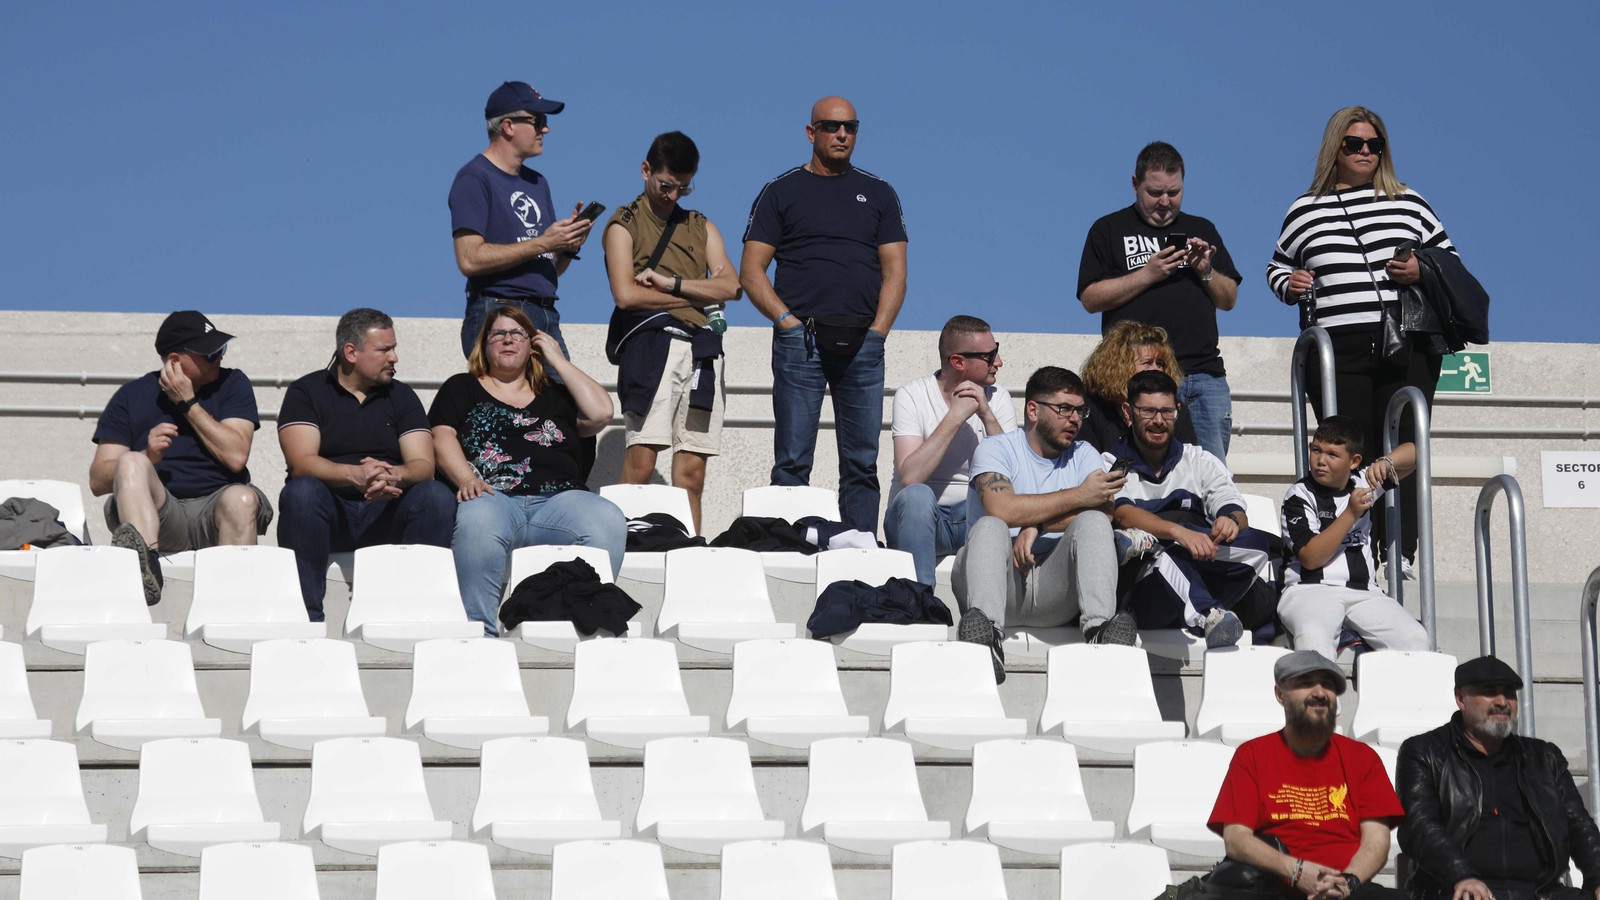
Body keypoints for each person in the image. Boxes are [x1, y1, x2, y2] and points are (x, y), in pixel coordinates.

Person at [1268, 107, 1459, 578]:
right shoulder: (1304, 209)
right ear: (1336, 147)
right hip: (1338, 348)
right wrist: (1288, 283)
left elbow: (1449, 261)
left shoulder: (1409, 202)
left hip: (1404, 340)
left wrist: (1420, 269)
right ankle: (1358, 550)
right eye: (1355, 144)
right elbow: (1276, 267)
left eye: (1375, 145)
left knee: (1404, 444)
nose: (1366, 152)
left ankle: (1400, 549)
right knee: (1353, 450)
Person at [740, 95, 908, 535]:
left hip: (863, 346)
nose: (842, 134)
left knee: (861, 463)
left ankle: (860, 557)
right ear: (811, 132)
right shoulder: (781, 191)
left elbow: (896, 271)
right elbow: (751, 271)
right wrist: (787, 323)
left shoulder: (879, 192)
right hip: (803, 343)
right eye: (832, 126)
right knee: (793, 460)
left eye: (850, 126)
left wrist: (878, 333)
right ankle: (790, 553)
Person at [431, 306, 625, 636]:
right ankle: (479, 632)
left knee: (607, 518)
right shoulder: (461, 387)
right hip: (493, 497)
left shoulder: (557, 395)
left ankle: (585, 617)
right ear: (485, 344)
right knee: (476, 517)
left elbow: (602, 413)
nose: (508, 339)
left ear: (532, 344)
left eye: (517, 333)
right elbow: (441, 434)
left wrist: (558, 360)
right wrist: (466, 478)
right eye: (498, 334)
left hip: (559, 503)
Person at [953, 366, 1134, 682]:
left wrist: (1036, 526)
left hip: (1054, 588)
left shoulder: (1084, 453)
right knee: (990, 526)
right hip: (997, 584)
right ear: (1033, 410)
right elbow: (1002, 508)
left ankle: (1100, 636)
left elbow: (1104, 511)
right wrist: (1079, 495)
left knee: (1093, 520)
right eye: (1064, 409)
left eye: (1080, 411)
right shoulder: (996, 448)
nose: (1075, 419)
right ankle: (986, 641)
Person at [276, 308, 455, 622]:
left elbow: (424, 464)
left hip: (386, 510)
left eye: (394, 348)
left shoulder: (402, 397)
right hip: (331, 516)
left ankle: (417, 616)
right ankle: (306, 618)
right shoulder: (306, 392)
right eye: (385, 350)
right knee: (301, 492)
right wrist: (353, 475)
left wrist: (394, 473)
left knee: (435, 495)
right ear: (351, 352)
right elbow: (301, 462)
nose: (395, 358)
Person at [603, 131, 742, 534]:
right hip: (652, 345)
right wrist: (698, 295)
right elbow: (626, 295)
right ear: (646, 171)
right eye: (666, 185)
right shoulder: (622, 224)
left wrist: (669, 284)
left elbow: (732, 287)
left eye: (684, 187)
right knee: (642, 461)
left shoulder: (701, 226)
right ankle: (623, 549)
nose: (673, 195)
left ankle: (690, 553)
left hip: (702, 352)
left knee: (692, 473)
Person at [88, 311, 271, 605]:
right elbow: (98, 480)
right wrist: (148, 455)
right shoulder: (131, 396)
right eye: (210, 353)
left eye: (221, 349)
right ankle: (144, 573)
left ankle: (236, 604)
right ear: (174, 360)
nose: (219, 357)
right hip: (162, 514)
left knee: (242, 498)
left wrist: (187, 403)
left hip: (216, 512)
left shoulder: (233, 383)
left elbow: (236, 456)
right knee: (132, 462)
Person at [1077, 142, 1242, 460]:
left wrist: (1205, 270)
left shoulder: (1202, 228)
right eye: (1155, 193)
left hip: (1205, 376)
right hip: (1142, 376)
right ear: (1135, 183)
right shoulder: (1108, 229)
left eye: (1174, 192)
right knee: (1145, 471)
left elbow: (1229, 298)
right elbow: (1089, 297)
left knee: (1211, 473)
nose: (1165, 202)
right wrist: (1148, 274)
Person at [1396, 656, 1600, 900]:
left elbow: (1579, 824)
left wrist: (1597, 877)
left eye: (1509, 693)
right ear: (1461, 699)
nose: (1502, 702)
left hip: (1539, 893)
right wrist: (1462, 875)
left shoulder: (1544, 758)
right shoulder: (1425, 752)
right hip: (1457, 890)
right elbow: (1418, 825)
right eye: (1490, 692)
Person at [1209, 650, 1407, 899]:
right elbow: (1236, 838)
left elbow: (1376, 842)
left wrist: (1347, 883)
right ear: (1280, 694)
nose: (1320, 693)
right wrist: (1297, 872)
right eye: (1305, 683)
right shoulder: (1252, 755)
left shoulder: (1362, 758)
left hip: (1346, 889)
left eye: (1328, 685)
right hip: (1277, 888)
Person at [1111, 370, 1277, 648]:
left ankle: (1193, 592)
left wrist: (1230, 520)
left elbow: (1234, 506)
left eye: (1166, 412)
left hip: (1195, 563)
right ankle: (1208, 615)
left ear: (1177, 410)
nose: (1158, 421)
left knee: (1258, 544)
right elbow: (1122, 513)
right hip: (1145, 590)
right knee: (1167, 555)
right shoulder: (1110, 461)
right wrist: (1181, 532)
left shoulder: (1199, 459)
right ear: (1128, 411)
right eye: (1148, 411)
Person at [449, 81, 596, 360]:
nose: (546, 129)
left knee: (563, 401)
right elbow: (469, 259)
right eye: (538, 120)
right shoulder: (474, 178)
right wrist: (543, 242)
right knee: (507, 403)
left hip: (545, 315)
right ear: (508, 126)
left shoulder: (537, 182)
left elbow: (547, 268)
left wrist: (568, 245)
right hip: (499, 313)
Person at [1279, 415, 1431, 661]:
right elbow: (1310, 558)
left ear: (1354, 461)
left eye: (1332, 455)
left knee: (1415, 641)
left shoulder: (1362, 481)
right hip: (1308, 591)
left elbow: (1417, 454)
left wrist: (1386, 461)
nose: (1320, 461)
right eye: (1316, 450)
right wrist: (1351, 513)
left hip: (1365, 593)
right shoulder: (1298, 495)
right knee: (1314, 642)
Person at [884, 315, 1015, 585]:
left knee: (1001, 507)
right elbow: (910, 478)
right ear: (958, 362)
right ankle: (919, 602)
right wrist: (954, 417)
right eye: (990, 356)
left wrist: (987, 415)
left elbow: (1015, 475)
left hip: (973, 518)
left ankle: (988, 617)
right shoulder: (912, 395)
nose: (999, 362)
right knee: (918, 496)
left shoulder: (998, 397)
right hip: (921, 521)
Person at [1078, 320, 1198, 453]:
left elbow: (1187, 461)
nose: (1156, 370)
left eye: (1160, 363)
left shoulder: (1174, 411)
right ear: (1120, 367)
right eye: (1147, 363)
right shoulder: (1089, 409)